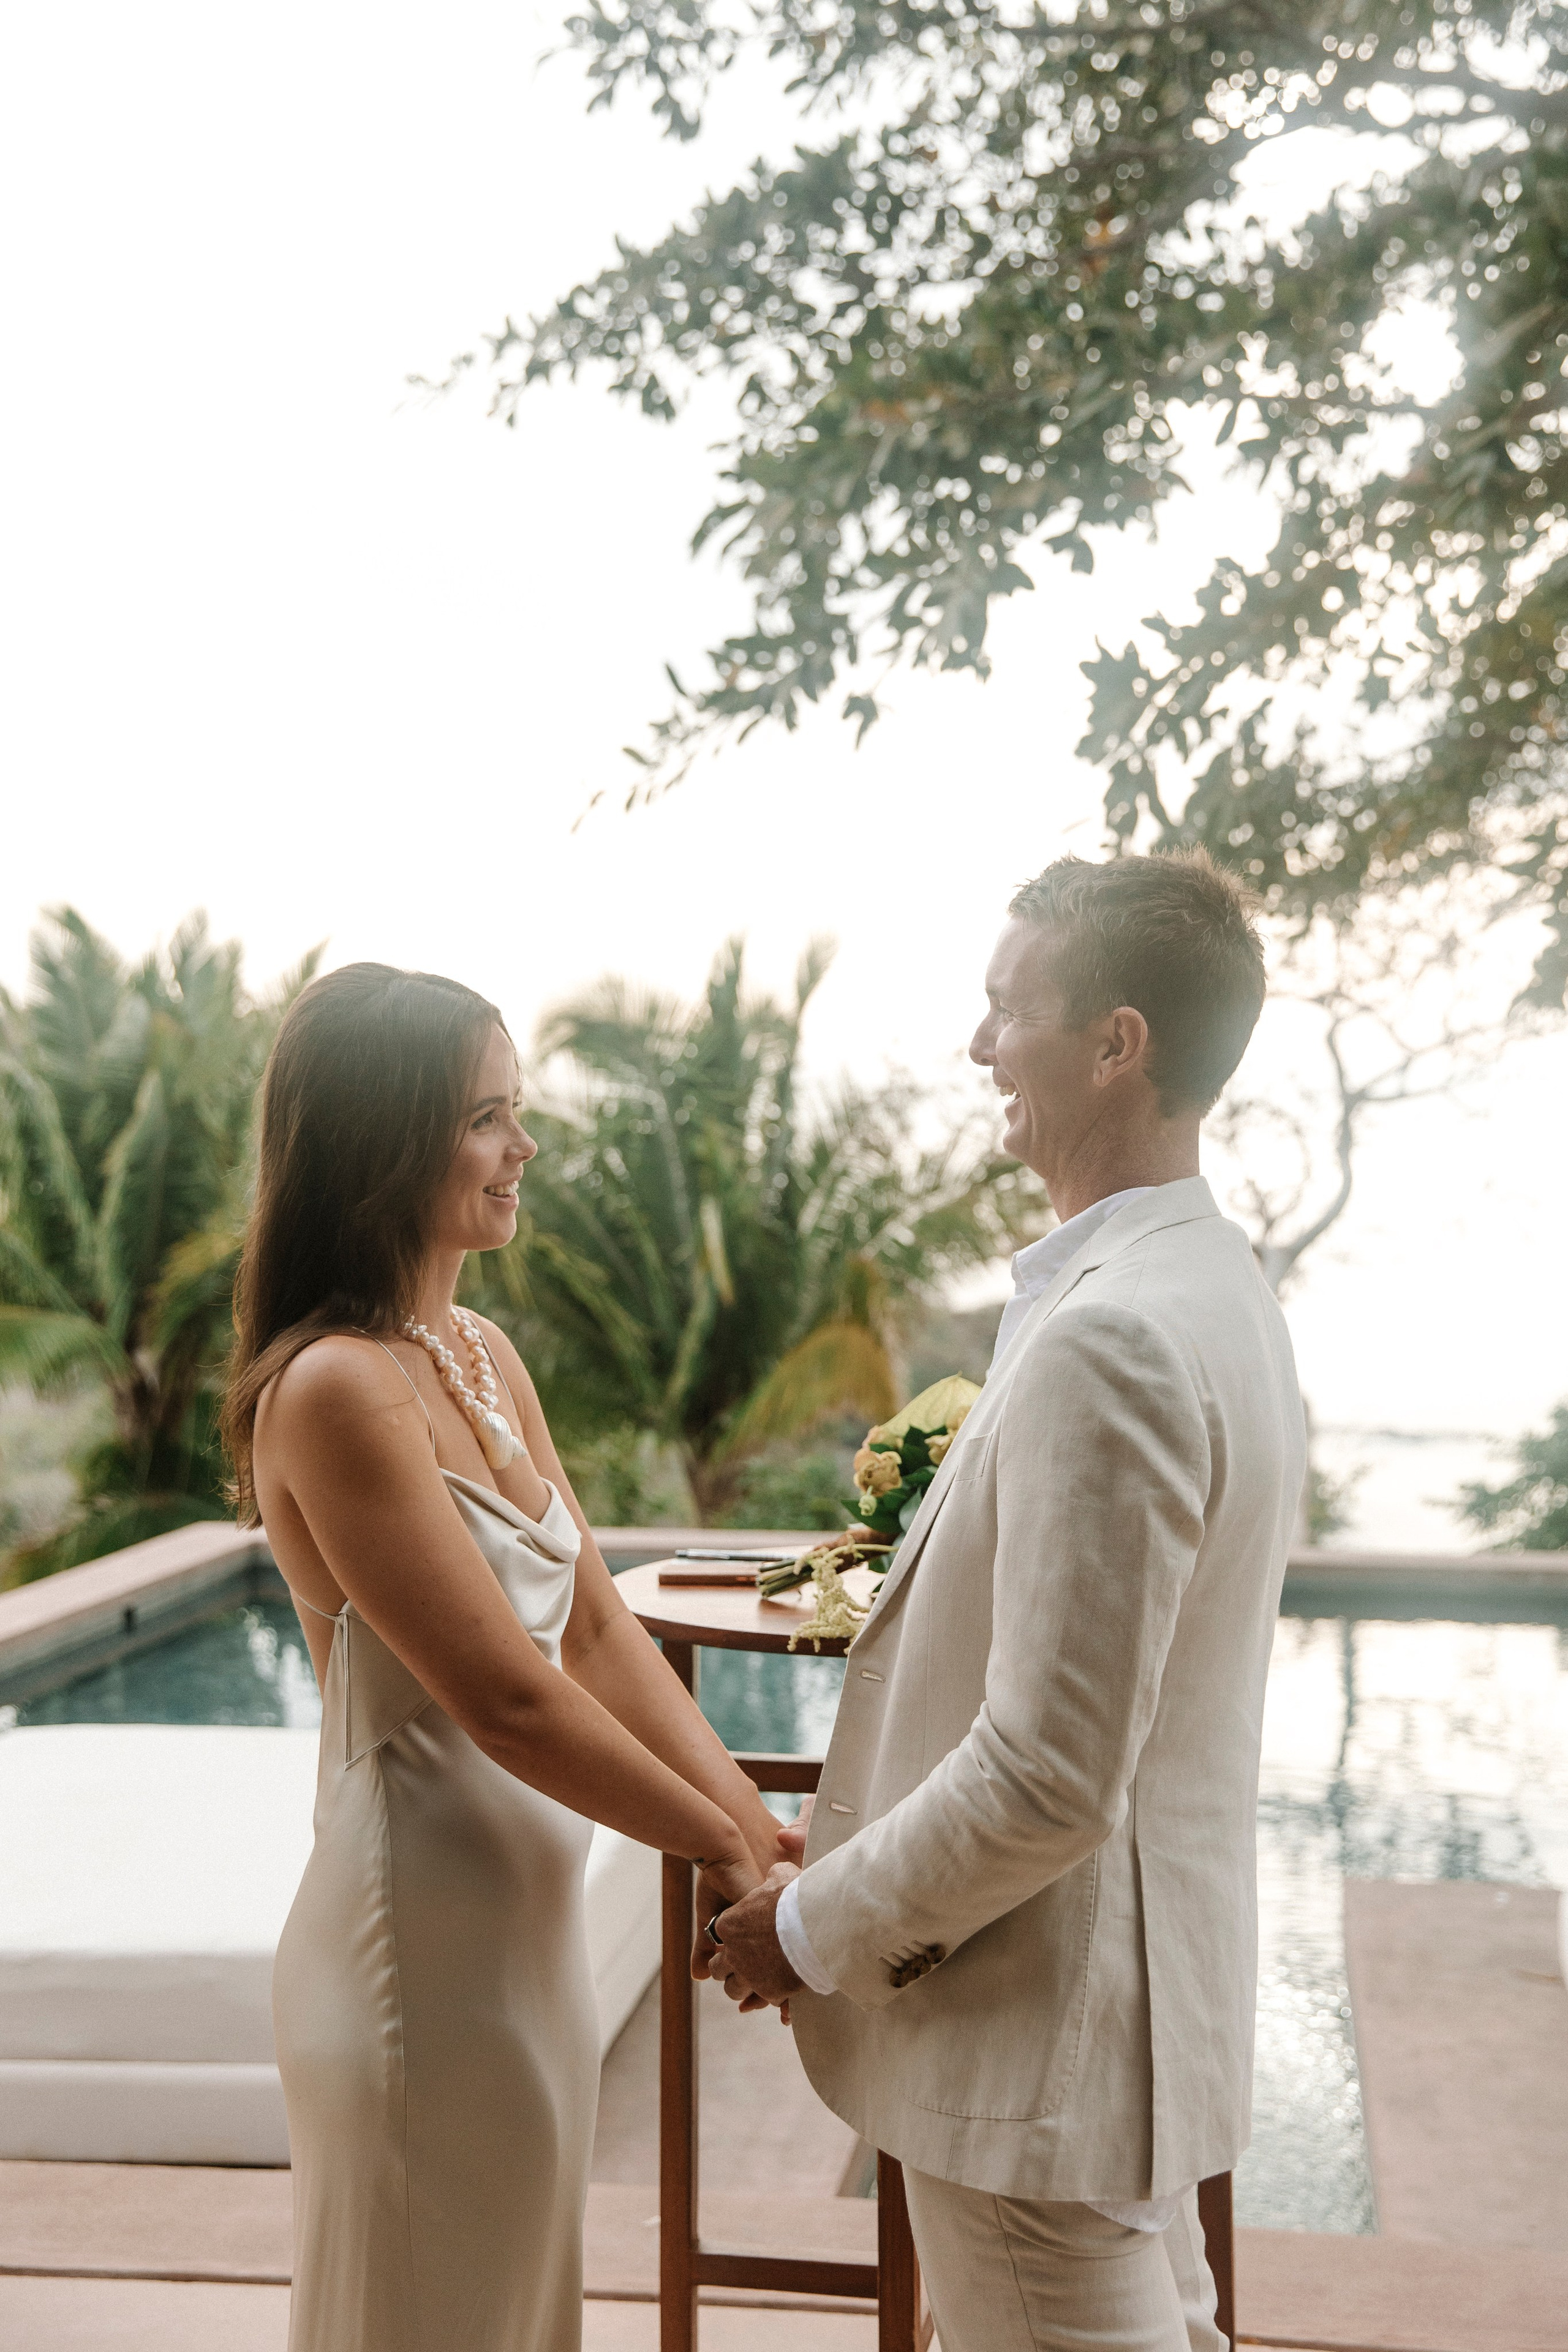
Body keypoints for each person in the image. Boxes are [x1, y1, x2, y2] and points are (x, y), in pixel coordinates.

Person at [698, 851, 1306, 2352]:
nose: (978, 1049)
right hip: (1115, 2049)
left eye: (1004, 1010)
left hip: (1042, 2051)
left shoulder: (1114, 1338)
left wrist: (809, 1929)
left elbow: (1045, 1774)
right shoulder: (1211, 1290)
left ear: (1116, 1044)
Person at [222, 965, 786, 2352]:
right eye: (487, 1116)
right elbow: (508, 1699)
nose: (522, 1147)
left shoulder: (477, 1355)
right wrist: (716, 1849)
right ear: (383, 1142)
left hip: (521, 1959)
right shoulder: (338, 1387)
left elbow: (595, 1630)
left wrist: (752, 1829)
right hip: (413, 1958)